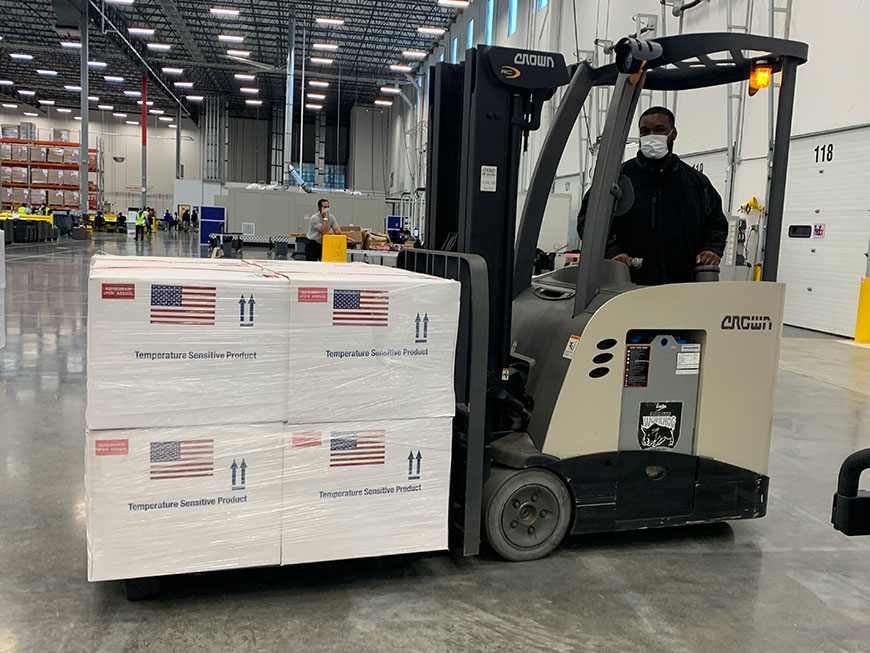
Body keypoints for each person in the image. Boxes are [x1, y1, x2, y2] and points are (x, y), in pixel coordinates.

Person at [577, 106, 727, 286]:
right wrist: (612, 252)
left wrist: (712, 249)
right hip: (627, 285)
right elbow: (589, 220)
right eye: (645, 131)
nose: (651, 136)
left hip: (682, 286)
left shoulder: (696, 183)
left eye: (659, 129)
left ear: (673, 133)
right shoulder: (617, 179)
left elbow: (716, 222)